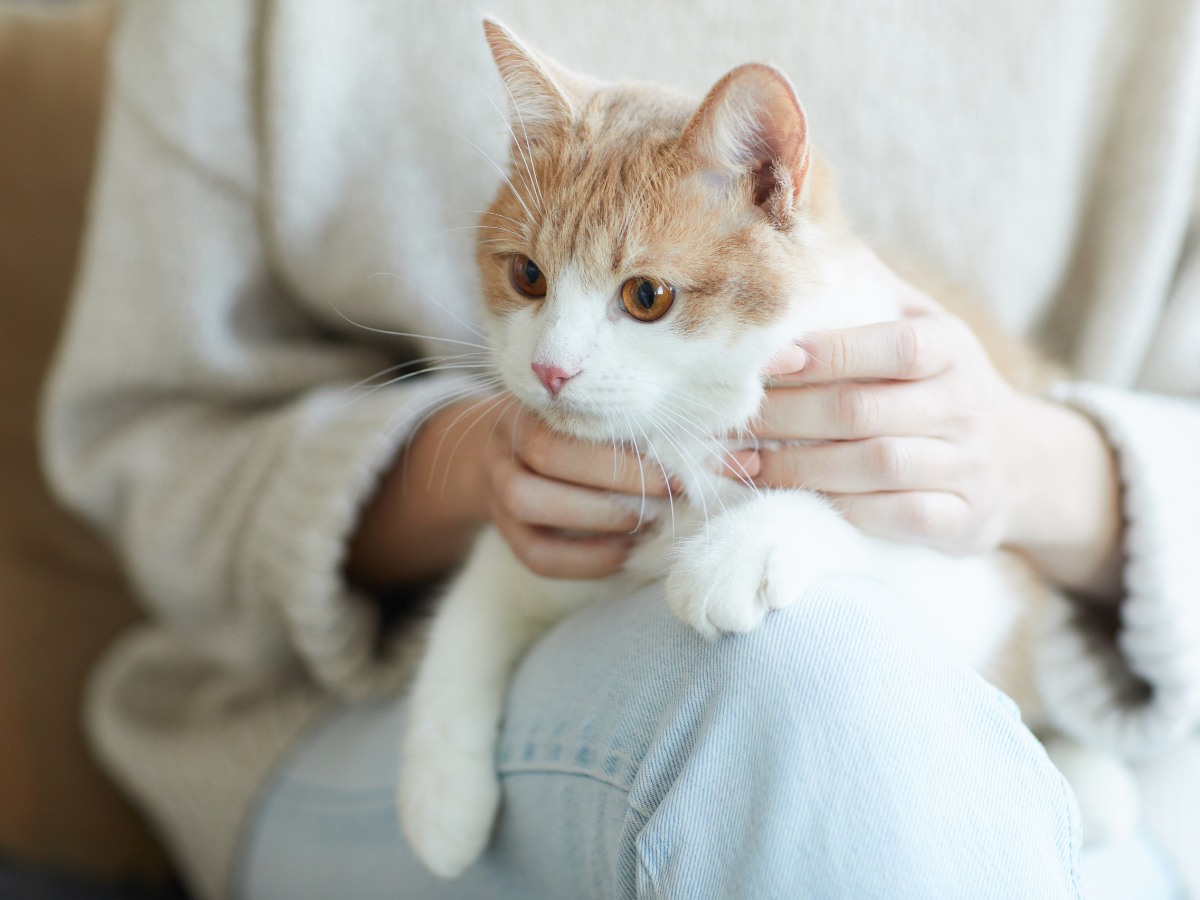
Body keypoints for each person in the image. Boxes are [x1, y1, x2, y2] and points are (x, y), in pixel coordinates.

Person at [41, 2, 1200, 898]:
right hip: (341, 723)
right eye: (530, 282)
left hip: (1088, 740)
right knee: (808, 676)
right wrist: (451, 473)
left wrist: (1043, 471)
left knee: (832, 678)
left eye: (643, 296)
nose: (553, 357)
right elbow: (148, 442)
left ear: (770, 185)